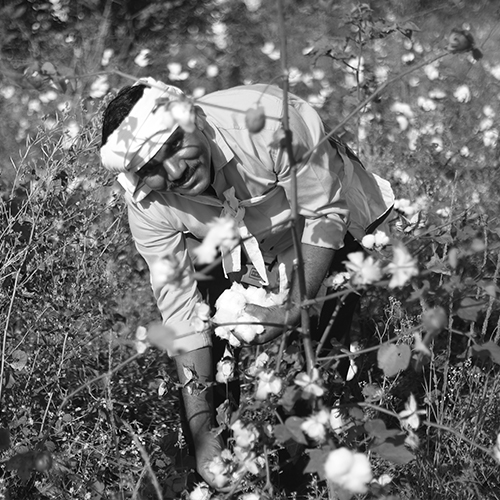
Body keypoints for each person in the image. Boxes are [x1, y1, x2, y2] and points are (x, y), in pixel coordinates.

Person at [99, 77, 394, 489]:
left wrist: (293, 309)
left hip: (324, 221)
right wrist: (201, 436)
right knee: (212, 350)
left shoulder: (270, 123)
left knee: (321, 355)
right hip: (240, 242)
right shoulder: (149, 207)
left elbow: (324, 214)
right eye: (150, 169)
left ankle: (312, 473)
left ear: (193, 118)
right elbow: (183, 314)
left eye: (172, 147)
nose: (175, 171)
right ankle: (229, 469)